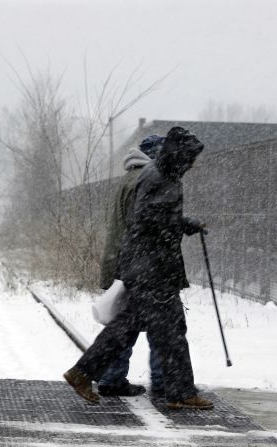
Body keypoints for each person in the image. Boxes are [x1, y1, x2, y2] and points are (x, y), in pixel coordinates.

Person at [64, 126, 213, 410]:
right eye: (191, 158)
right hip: (154, 269)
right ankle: (180, 393)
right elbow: (148, 220)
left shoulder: (154, 175)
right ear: (178, 156)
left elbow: (154, 217)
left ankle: (82, 373)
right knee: (170, 332)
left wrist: (184, 224)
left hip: (143, 266)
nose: (193, 164)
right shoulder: (163, 179)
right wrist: (176, 228)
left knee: (127, 327)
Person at [96, 135, 164, 397]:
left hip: (122, 262)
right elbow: (146, 229)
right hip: (140, 267)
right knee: (162, 325)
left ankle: (112, 378)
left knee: (125, 326)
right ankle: (162, 380)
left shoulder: (129, 178)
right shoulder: (145, 183)